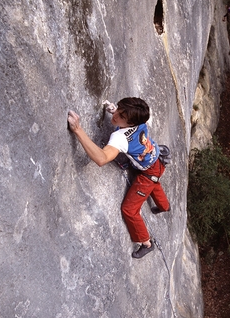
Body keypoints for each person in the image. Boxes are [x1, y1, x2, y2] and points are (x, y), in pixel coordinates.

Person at [67, 97, 170, 259]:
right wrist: (116, 110)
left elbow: (101, 158)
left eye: (122, 116)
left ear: (131, 122)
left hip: (148, 174)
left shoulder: (120, 139)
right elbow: (128, 119)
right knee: (155, 182)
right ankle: (164, 207)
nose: (116, 117)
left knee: (129, 210)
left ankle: (146, 243)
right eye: (119, 110)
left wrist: (78, 129)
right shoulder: (141, 120)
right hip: (156, 160)